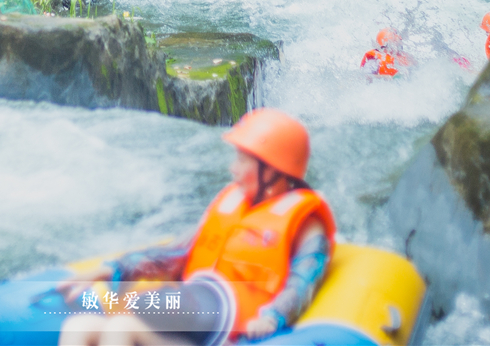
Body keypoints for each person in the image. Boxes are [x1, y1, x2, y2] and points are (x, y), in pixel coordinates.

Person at [62, 109, 335, 342]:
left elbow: (303, 282)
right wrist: (112, 269)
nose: (233, 169)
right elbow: (177, 253)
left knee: (123, 328)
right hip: (194, 306)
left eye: (242, 159)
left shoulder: (307, 227)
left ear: (273, 169)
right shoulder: (230, 203)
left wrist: (273, 317)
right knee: (78, 327)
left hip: (227, 329)